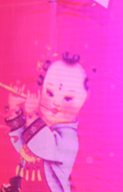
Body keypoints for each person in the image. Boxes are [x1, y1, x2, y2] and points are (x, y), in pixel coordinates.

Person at [5, 54, 89, 192]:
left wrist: (31, 114)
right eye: (49, 93)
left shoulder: (69, 138)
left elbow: (42, 146)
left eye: (68, 98)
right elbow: (23, 147)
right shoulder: (39, 126)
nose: (56, 103)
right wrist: (14, 109)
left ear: (82, 102)